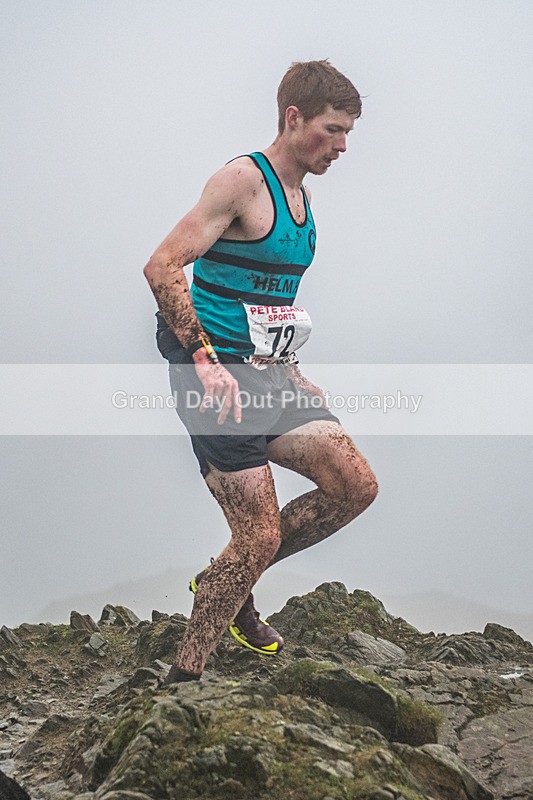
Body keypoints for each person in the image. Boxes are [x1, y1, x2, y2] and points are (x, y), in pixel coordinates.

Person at [143, 60, 378, 684]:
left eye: (349, 132)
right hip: (213, 384)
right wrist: (203, 358)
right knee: (257, 534)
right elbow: (163, 267)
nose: (343, 146)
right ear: (293, 117)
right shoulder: (242, 182)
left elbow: (268, 297)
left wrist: (289, 366)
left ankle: (236, 577)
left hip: (270, 378)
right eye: (332, 130)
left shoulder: (302, 199)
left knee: (354, 487)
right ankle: (185, 674)